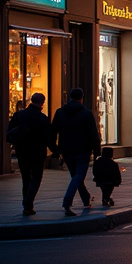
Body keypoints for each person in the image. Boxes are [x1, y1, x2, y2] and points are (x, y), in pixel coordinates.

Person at [49, 87, 101, 216]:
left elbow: (52, 133)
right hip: (83, 150)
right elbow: (93, 134)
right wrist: (97, 151)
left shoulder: (60, 112)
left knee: (76, 176)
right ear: (82, 98)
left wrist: (55, 150)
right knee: (78, 176)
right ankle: (67, 201)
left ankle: (86, 199)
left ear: (69, 98)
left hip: (66, 150)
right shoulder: (87, 113)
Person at [7, 92, 50, 216]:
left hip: (22, 151)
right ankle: (28, 202)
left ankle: (28, 205)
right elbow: (48, 137)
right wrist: (55, 150)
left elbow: (10, 131)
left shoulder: (19, 115)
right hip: (37, 152)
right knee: (36, 177)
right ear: (42, 103)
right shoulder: (42, 118)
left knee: (26, 178)